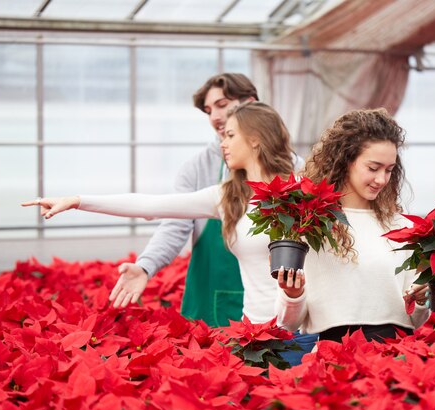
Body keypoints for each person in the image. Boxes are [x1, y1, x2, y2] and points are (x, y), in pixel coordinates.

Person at [23, 102, 316, 365]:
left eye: (230, 135)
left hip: (299, 337)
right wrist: (78, 201)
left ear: (255, 139)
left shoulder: (303, 191)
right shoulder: (229, 197)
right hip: (253, 339)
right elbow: (151, 205)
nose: (222, 144)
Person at [113, 73, 302, 328]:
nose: (214, 117)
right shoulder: (197, 169)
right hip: (210, 288)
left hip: (274, 299)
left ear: (251, 103)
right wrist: (146, 266)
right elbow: (173, 224)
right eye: (208, 110)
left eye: (223, 105)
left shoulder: (296, 170)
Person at [274, 108, 431, 343]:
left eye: (389, 170)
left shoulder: (401, 226)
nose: (382, 179)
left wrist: (420, 301)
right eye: (373, 168)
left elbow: (417, 321)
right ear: (346, 160)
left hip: (394, 356)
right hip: (335, 357)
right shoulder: (311, 224)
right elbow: (287, 323)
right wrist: (293, 294)